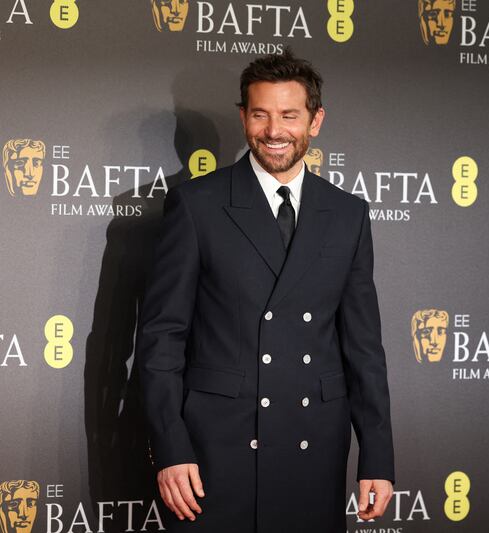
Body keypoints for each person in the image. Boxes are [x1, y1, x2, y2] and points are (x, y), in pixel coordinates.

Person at [135, 50, 395, 532]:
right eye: (260, 114)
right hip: (216, 452)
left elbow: (363, 347)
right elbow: (161, 338)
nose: (274, 131)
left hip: (313, 447)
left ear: (315, 121)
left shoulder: (348, 215)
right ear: (243, 117)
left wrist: (377, 455)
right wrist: (171, 446)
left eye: (289, 115)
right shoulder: (198, 205)